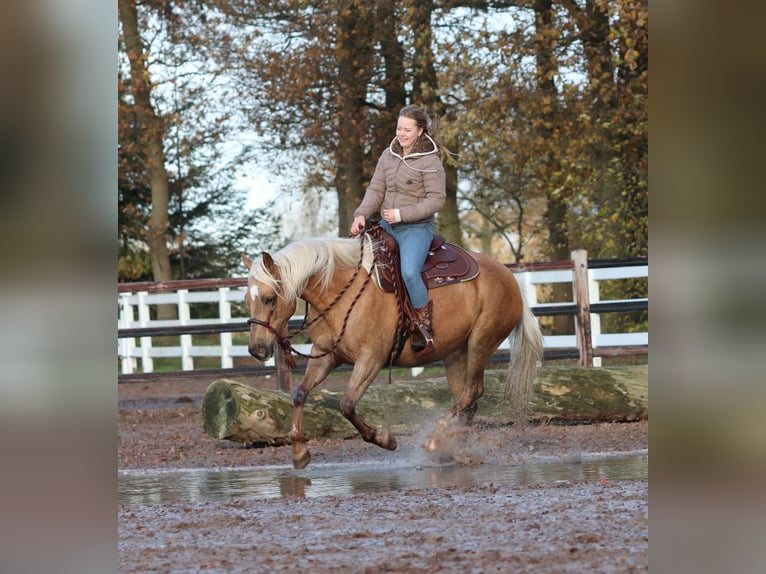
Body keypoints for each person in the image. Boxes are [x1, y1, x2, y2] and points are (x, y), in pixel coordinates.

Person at [349, 105, 447, 352]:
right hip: (385, 226)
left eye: (407, 129)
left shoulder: (430, 160)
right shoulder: (388, 154)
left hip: (415, 229)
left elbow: (437, 199)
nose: (401, 134)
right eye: (398, 128)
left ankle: (422, 324)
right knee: (356, 262)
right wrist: (361, 214)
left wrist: (402, 214)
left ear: (420, 131)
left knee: (410, 272)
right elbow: (376, 189)